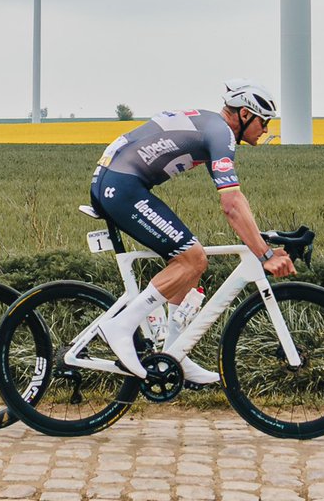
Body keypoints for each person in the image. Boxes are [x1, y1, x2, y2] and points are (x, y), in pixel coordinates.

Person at [90, 79, 296, 385]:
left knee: (188, 262)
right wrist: (265, 255)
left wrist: (261, 242)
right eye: (263, 122)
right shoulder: (221, 134)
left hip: (118, 181)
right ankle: (120, 327)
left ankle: (175, 353)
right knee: (193, 258)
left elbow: (235, 198)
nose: (265, 130)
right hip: (121, 186)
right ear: (244, 115)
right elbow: (231, 206)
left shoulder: (212, 126)